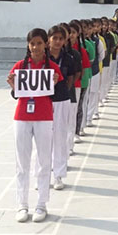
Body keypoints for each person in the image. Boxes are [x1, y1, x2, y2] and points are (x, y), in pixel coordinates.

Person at [8, 28, 63, 223]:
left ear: (45, 44)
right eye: (32, 43)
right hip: (22, 117)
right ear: (28, 45)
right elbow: (16, 94)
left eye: (39, 43)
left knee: (44, 161)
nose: (35, 47)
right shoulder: (20, 66)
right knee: (22, 162)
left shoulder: (52, 68)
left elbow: (59, 95)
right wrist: (13, 87)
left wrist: (54, 84)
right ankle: (22, 204)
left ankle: (41, 203)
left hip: (44, 117)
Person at [47, 25, 78, 190]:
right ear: (49, 40)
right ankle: (43, 175)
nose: (58, 42)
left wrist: (64, 89)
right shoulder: (42, 57)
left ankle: (58, 175)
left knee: (60, 137)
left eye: (61, 39)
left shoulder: (68, 58)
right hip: (44, 101)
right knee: (43, 139)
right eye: (55, 38)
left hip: (62, 100)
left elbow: (71, 76)